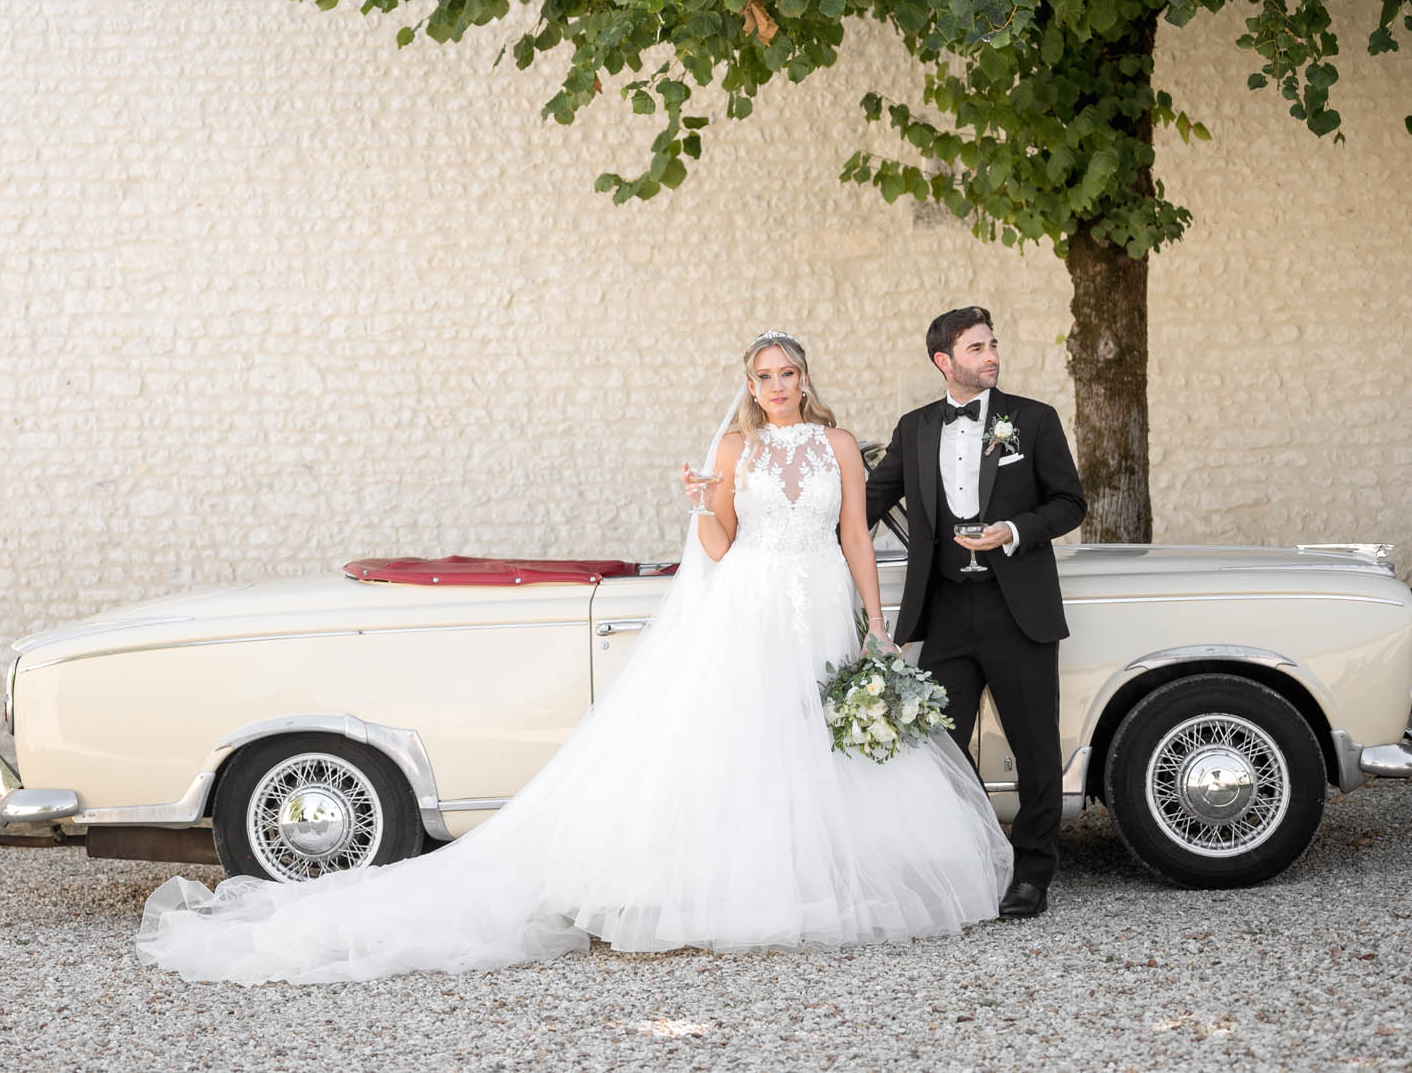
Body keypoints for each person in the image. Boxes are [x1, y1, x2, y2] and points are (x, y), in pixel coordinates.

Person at [134, 332, 1010, 984]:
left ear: (806, 378)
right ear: (749, 387)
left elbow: (856, 532)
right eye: (765, 378)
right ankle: (740, 884)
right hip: (750, 605)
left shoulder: (838, 444)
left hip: (821, 597)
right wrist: (706, 501)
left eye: (790, 375)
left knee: (821, 736)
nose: (780, 388)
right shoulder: (736, 449)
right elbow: (718, 545)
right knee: (753, 733)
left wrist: (876, 621)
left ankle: (834, 874)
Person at [864, 307, 1087, 920]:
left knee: (1035, 748)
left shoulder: (1034, 420)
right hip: (945, 611)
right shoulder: (913, 428)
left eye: (993, 345)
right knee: (937, 747)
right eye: (977, 347)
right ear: (945, 361)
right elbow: (868, 503)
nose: (991, 356)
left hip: (1018, 608)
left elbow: (1070, 504)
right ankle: (973, 859)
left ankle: (1032, 875)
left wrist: (1014, 529)